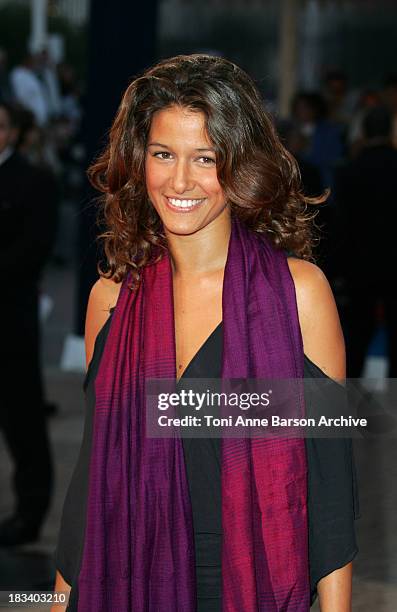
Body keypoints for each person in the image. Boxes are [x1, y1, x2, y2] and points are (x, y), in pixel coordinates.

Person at [53, 55, 358, 611]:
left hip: (247, 584)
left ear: (240, 167)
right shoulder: (112, 296)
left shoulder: (298, 294)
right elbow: (96, 475)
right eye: (163, 154)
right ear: (138, 160)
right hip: (124, 579)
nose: (180, 181)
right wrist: (57, 599)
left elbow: (329, 486)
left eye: (205, 159)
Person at [0, 101, 57, 545]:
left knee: (22, 422)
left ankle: (28, 514)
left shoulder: (35, 182)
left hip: (10, 323)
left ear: (15, 133)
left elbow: (32, 250)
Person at [335, 105, 397, 378]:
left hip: (358, 264)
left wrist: (338, 267)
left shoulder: (349, 170)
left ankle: (353, 397)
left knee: (357, 335)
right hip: (395, 261)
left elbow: (341, 225)